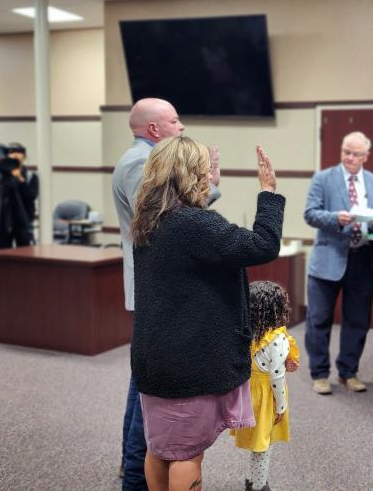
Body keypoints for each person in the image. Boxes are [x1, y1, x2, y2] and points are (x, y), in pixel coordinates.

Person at [130, 137, 283, 491]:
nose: (206, 175)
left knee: (161, 449)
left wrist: (211, 187)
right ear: (191, 174)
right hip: (188, 362)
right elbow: (263, 244)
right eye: (203, 170)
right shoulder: (195, 225)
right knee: (186, 454)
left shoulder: (148, 222)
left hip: (156, 356)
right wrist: (269, 193)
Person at [111, 98, 221, 490]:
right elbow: (170, 223)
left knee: (143, 386)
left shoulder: (143, 158)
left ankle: (131, 468)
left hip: (153, 290)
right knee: (155, 391)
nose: (182, 126)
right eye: (175, 120)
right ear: (154, 130)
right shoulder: (142, 163)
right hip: (157, 291)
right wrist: (210, 188)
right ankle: (137, 477)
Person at [303, 131, 373, 395]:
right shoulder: (323, 178)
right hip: (328, 257)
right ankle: (319, 374)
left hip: (362, 258)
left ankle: (348, 372)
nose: (349, 158)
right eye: (346, 152)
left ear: (366, 156)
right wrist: (335, 218)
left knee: (357, 319)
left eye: (355, 154)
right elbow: (310, 213)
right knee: (318, 319)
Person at [231, 281, 300, 491]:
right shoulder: (278, 339)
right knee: (264, 445)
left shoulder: (245, 333)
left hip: (247, 393)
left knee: (256, 441)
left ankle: (252, 479)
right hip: (266, 398)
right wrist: (281, 406)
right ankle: (258, 485)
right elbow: (276, 378)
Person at [0, 142, 38, 248]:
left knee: (25, 251)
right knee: (3, 252)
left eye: (18, 153)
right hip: (3, 218)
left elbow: (31, 196)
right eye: (12, 153)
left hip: (24, 219)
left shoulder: (30, 176)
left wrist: (20, 179)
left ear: (24, 156)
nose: (15, 155)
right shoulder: (1, 173)